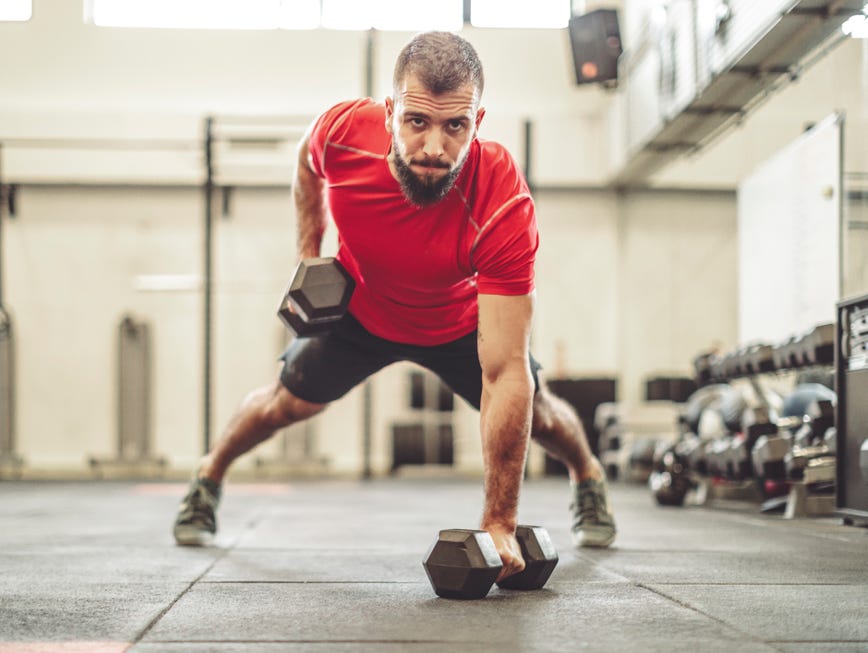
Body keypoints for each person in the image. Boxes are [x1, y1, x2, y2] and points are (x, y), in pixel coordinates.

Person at [174, 31, 616, 581]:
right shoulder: (341, 134)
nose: (434, 147)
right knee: (283, 406)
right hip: (361, 311)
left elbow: (504, 370)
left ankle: (588, 475)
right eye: (417, 122)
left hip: (456, 324)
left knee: (542, 413)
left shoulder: (502, 199)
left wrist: (500, 521)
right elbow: (305, 167)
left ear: (478, 123)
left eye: (455, 126)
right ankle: (208, 475)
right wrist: (308, 257)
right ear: (389, 115)